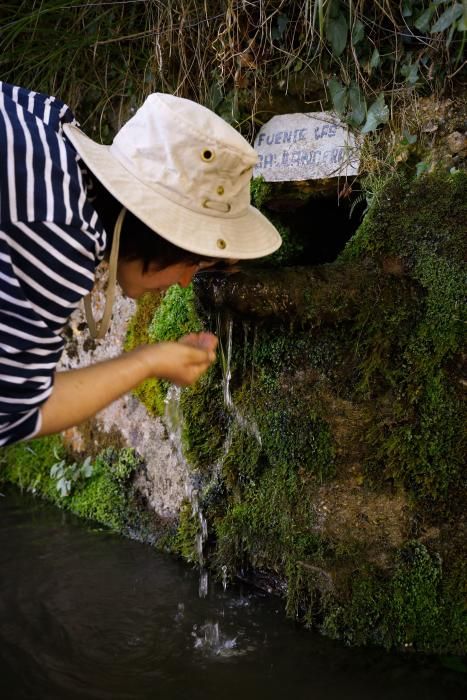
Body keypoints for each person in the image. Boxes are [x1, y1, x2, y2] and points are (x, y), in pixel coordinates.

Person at [0, 83, 281, 447]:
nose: (184, 283)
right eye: (192, 262)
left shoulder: (45, 125)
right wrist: (148, 361)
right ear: (157, 235)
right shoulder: (59, 235)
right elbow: (12, 413)